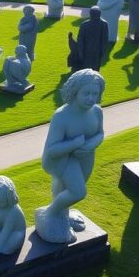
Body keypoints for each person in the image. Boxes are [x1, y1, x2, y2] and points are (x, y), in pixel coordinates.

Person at [34, 69, 106, 244]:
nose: (91, 98)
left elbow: (100, 133)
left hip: (86, 156)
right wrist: (74, 144)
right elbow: (51, 149)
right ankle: (49, 213)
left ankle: (63, 214)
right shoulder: (62, 116)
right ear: (75, 92)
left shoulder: (96, 111)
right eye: (86, 93)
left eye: (95, 94)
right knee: (77, 191)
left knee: (67, 188)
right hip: (62, 159)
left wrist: (91, 143)